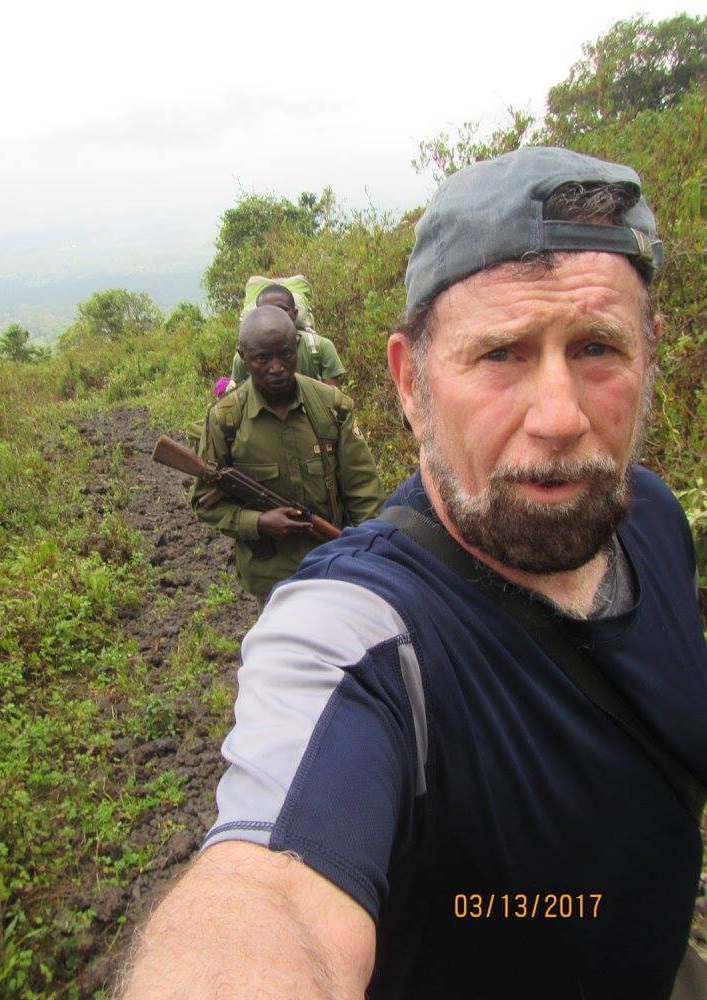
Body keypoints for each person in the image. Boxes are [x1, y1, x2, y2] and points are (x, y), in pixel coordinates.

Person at [123, 148, 707, 999]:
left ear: (648, 355)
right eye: (500, 353)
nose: (559, 417)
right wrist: (269, 528)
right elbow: (269, 897)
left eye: (597, 347)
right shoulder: (352, 640)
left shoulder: (651, 516)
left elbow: (359, 486)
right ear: (410, 382)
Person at [190, 304, 383, 602]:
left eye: (285, 354)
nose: (276, 367)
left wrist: (366, 554)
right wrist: (258, 522)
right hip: (271, 578)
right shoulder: (226, 420)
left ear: (297, 346)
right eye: (262, 358)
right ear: (243, 357)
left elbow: (364, 492)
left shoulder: (331, 407)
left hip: (334, 565)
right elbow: (205, 503)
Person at [229, 282, 346, 388]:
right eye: (268, 310)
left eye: (282, 309)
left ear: (294, 314)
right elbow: (240, 396)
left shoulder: (320, 347)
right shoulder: (245, 356)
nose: (275, 315)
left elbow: (332, 399)